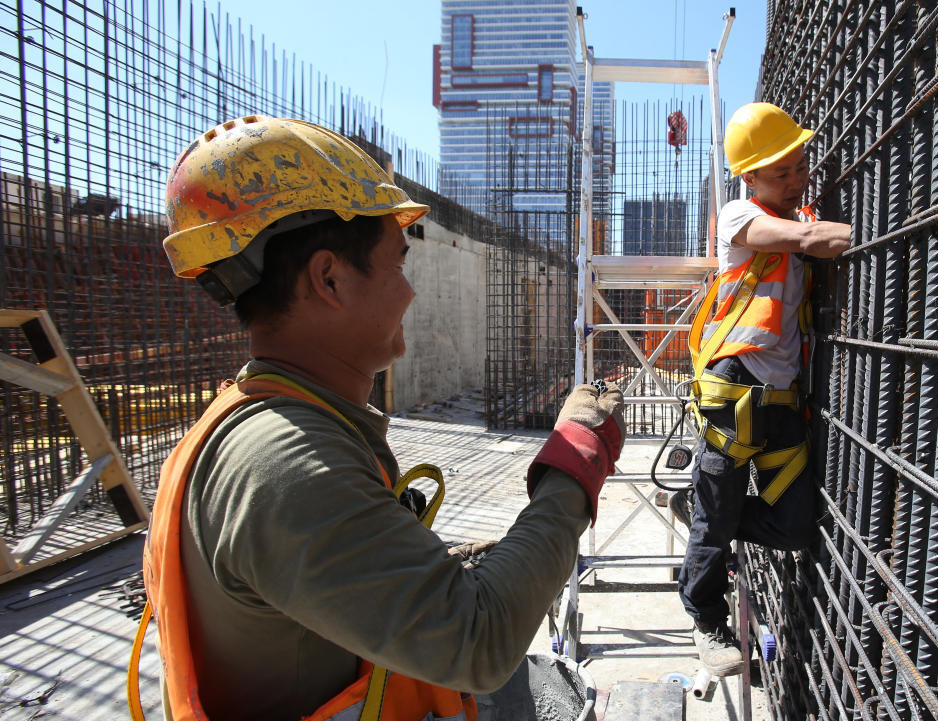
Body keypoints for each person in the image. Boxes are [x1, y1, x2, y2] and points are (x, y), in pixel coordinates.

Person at [139, 115, 624, 721]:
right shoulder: (286, 464)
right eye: (397, 265)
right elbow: (478, 642)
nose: (410, 292)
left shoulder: (273, 421)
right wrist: (575, 459)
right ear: (330, 278)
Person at [675, 103, 851, 676]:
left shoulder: (793, 215)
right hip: (733, 397)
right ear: (749, 177)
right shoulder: (738, 217)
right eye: (782, 172)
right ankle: (706, 622)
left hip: (781, 405)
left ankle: (704, 515)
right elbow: (800, 237)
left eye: (800, 166)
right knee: (717, 518)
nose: (797, 178)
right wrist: (862, 233)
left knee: (794, 524)